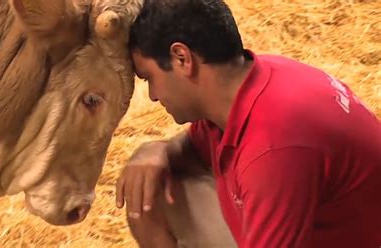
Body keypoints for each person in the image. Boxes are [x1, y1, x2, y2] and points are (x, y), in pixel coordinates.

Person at [115, 0, 381, 247]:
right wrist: (156, 150)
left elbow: (273, 156)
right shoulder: (251, 82)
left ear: (182, 58)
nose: (152, 95)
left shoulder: (273, 147)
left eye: (150, 77)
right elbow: (195, 149)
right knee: (150, 194)